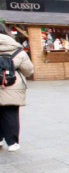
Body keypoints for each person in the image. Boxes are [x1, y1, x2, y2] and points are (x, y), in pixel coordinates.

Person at [0, 23, 34, 152]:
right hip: (12, 86)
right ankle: (12, 142)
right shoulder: (17, 50)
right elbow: (28, 71)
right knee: (11, 114)